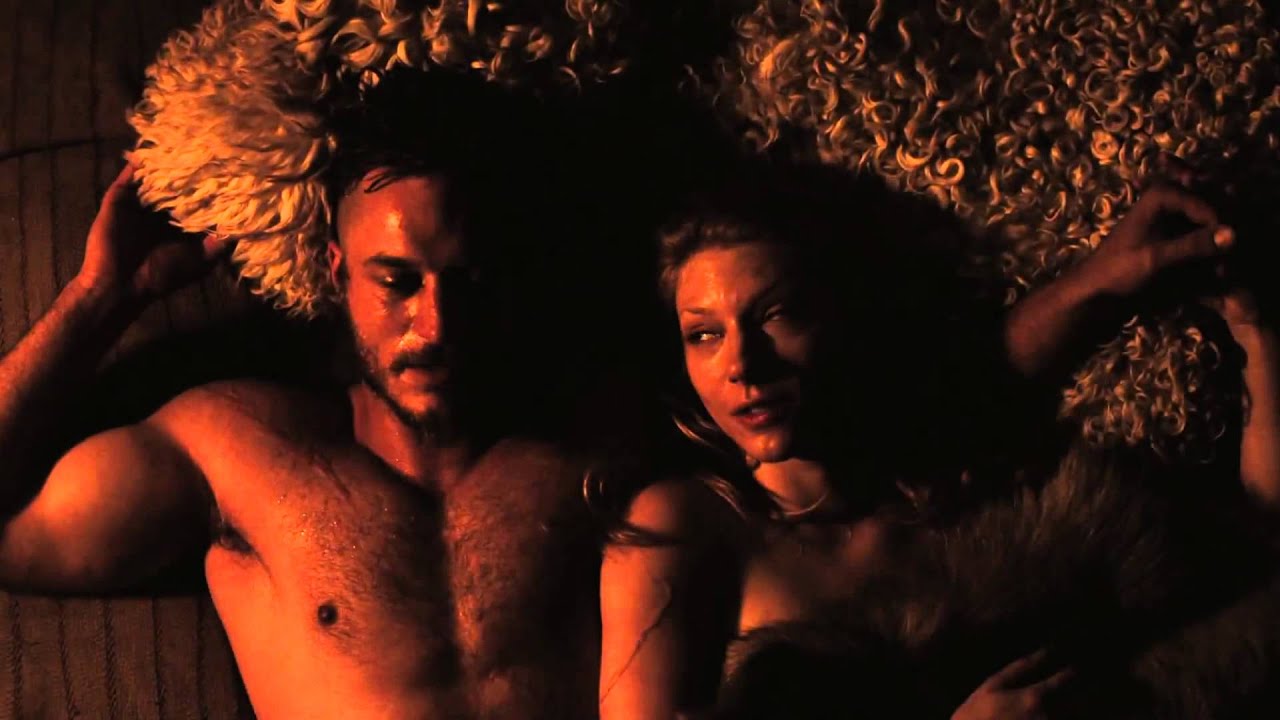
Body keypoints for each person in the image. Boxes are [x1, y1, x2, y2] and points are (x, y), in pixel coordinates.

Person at [0, 73, 604, 719]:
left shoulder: (593, 457)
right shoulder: (244, 447)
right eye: (397, 282)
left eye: (470, 282)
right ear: (339, 273)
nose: (436, 326)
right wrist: (99, 299)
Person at [598, 162, 1280, 719]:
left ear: (845, 317)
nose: (741, 365)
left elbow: (995, 370)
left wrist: (1240, 318)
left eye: (777, 314)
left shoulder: (944, 481)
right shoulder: (685, 526)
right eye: (704, 334)